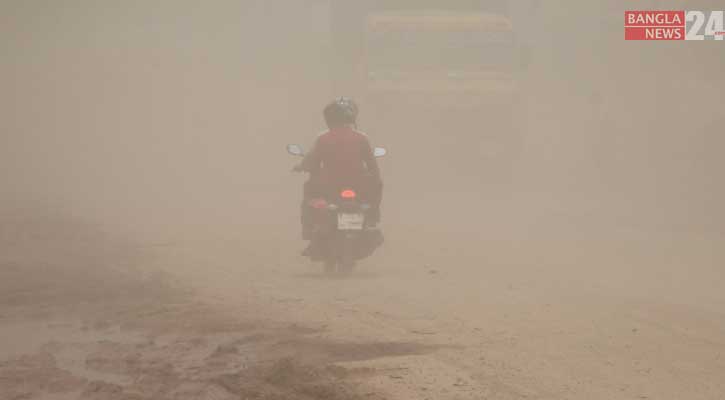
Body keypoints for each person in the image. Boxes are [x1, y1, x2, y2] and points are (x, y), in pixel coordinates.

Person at [293, 97, 383, 242]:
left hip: (329, 186)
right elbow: (372, 165)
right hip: (358, 185)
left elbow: (311, 160)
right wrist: (375, 179)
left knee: (308, 189)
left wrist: (301, 166)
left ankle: (308, 228)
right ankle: (373, 218)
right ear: (352, 117)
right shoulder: (361, 138)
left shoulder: (322, 138)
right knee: (377, 187)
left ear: (329, 119)